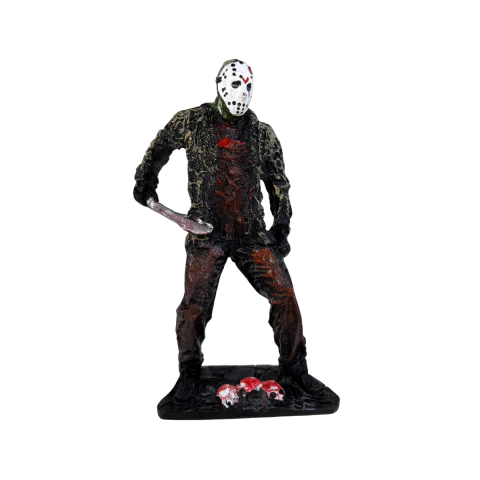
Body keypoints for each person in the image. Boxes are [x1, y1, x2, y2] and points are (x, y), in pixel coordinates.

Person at [134, 59, 323, 403]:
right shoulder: (191, 122)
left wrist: (282, 225)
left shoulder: (262, 134)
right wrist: (146, 179)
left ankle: (295, 370)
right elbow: (160, 146)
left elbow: (278, 184)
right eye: (236, 84)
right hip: (207, 234)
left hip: (251, 233)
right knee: (194, 307)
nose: (242, 93)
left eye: (248, 86)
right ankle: (189, 374)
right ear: (220, 84)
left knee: (284, 295)